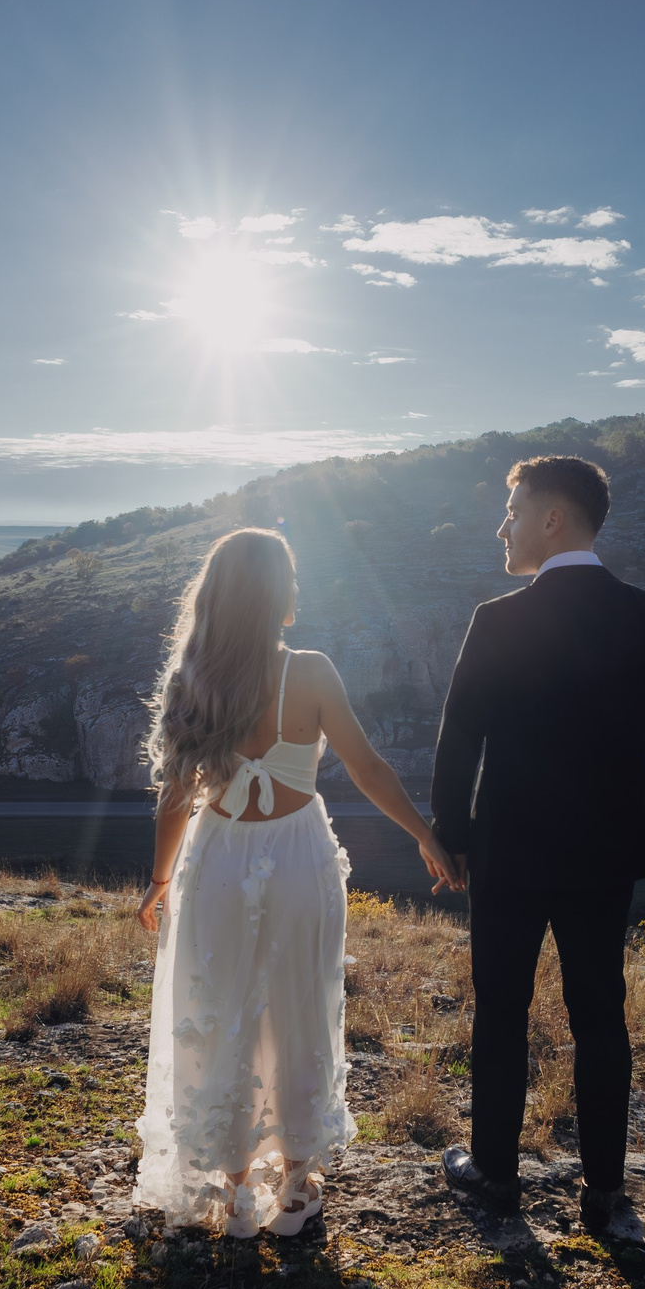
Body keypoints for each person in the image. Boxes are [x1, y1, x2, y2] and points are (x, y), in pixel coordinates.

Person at [134, 527, 458, 1238]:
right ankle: (299, 1182)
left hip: (219, 856)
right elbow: (369, 768)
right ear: (280, 596)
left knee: (217, 1005)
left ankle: (236, 1185)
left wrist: (159, 880)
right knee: (300, 1007)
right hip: (299, 858)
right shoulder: (309, 672)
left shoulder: (193, 679)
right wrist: (424, 834)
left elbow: (173, 798)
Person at [430, 456, 645, 1235]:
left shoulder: (498, 619)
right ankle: (606, 1196)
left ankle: (494, 1175)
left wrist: (453, 836)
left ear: (554, 519)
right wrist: (639, 829)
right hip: (605, 859)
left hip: (506, 857)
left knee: (501, 1015)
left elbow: (458, 743)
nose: (503, 525)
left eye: (513, 509)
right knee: (600, 1018)